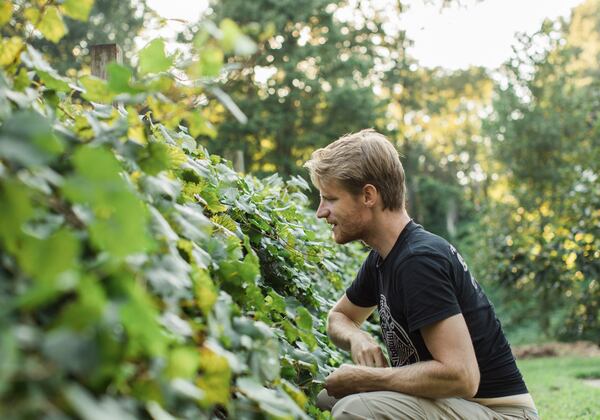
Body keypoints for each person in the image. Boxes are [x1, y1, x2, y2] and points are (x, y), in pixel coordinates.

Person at [304, 129, 538, 420]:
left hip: (501, 414)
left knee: (354, 409)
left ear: (368, 195)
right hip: (460, 407)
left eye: (330, 199)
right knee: (328, 397)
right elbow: (340, 317)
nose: (320, 212)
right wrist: (357, 339)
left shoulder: (418, 261)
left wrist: (369, 378)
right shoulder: (384, 257)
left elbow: (462, 376)